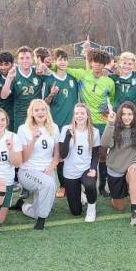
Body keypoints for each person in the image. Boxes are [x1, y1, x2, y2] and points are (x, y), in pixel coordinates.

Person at [65, 48, 115, 198]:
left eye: (101, 63)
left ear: (104, 64)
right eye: (95, 62)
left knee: (102, 155)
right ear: (90, 62)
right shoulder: (82, 75)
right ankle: (83, 184)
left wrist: (107, 113)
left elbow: (112, 99)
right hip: (85, 122)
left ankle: (102, 186)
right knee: (84, 151)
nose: (98, 65)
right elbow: (62, 68)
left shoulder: (109, 82)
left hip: (102, 123)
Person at [101, 101, 136, 226]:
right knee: (119, 206)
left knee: (135, 173)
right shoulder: (114, 126)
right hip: (115, 170)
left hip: (131, 167)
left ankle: (135, 212)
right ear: (119, 115)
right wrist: (110, 124)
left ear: (134, 115)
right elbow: (105, 143)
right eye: (123, 114)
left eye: (129, 114)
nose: (126, 117)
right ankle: (118, 193)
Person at [17, 99, 60, 230]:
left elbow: (57, 155)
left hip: (46, 170)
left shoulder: (54, 128)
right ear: (31, 113)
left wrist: (51, 167)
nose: (40, 112)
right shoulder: (23, 129)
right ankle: (41, 222)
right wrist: (33, 140)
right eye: (36, 110)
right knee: (49, 185)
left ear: (47, 112)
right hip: (28, 171)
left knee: (47, 203)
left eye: (43, 109)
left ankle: (22, 206)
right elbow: (23, 158)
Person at [110, 52, 136, 194]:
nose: (127, 66)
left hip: (134, 119)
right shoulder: (113, 78)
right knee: (117, 146)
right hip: (118, 119)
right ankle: (111, 180)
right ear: (120, 63)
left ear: (134, 65)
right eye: (124, 63)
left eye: (130, 63)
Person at [44, 49, 79, 199]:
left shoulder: (73, 79)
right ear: (55, 61)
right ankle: (61, 185)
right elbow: (44, 103)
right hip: (55, 124)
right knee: (57, 156)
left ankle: (74, 185)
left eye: (65, 59)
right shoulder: (49, 79)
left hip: (71, 124)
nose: (63, 62)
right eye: (60, 59)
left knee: (71, 154)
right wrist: (52, 94)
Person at [58, 104, 100, 221]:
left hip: (85, 168)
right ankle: (80, 194)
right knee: (76, 212)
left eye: (82, 113)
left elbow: (96, 154)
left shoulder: (94, 131)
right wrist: (68, 137)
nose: (79, 116)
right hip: (70, 172)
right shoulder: (66, 129)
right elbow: (63, 155)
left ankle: (91, 209)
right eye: (76, 113)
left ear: (87, 115)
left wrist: (93, 168)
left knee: (90, 184)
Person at [0, 46, 44, 132]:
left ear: (32, 59)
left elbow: (52, 74)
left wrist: (45, 68)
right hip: (20, 115)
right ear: (18, 60)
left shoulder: (38, 72)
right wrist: (8, 79)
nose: (25, 61)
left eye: (27, 58)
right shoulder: (13, 73)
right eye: (22, 58)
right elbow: (3, 96)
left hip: (37, 114)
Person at [0, 52, 15, 131]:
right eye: (0, 64)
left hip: (16, 113)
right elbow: (3, 96)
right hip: (2, 113)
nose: (3, 67)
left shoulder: (18, 75)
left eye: (6, 64)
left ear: (12, 64)